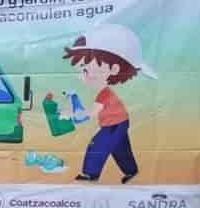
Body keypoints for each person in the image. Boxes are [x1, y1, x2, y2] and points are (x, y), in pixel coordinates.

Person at [62, 24, 157, 184]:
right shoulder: (105, 93)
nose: (82, 76)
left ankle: (90, 174)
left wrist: (71, 115)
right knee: (120, 149)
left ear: (113, 69)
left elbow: (92, 114)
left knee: (97, 145)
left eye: (85, 70)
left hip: (114, 124)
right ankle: (131, 171)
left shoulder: (104, 95)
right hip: (119, 122)